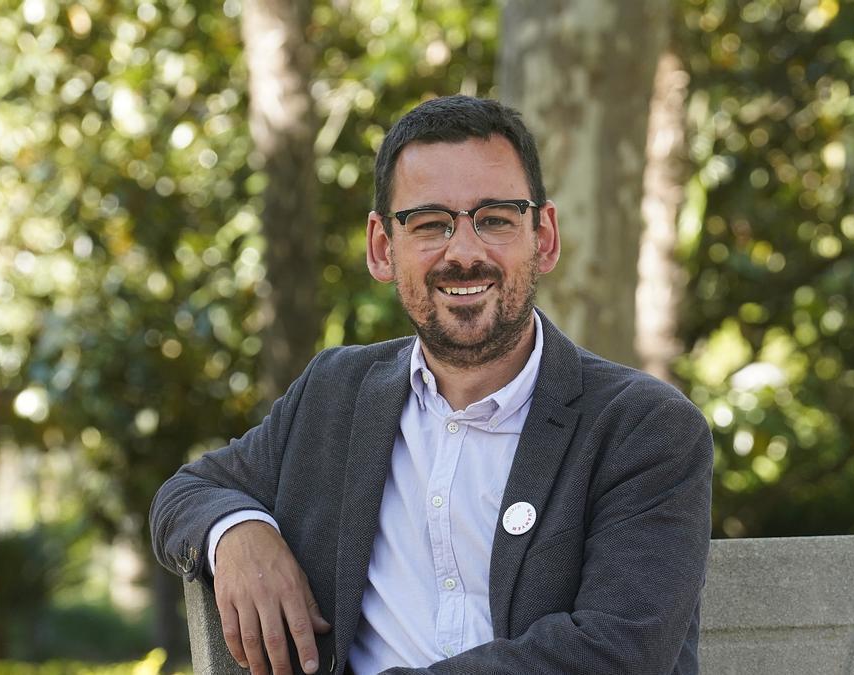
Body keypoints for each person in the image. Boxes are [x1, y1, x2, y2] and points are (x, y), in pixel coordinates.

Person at [150, 95, 712, 675]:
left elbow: (614, 654)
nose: (464, 253)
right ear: (380, 247)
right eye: (429, 224)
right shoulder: (333, 394)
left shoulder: (644, 428)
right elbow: (187, 492)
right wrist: (237, 530)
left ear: (543, 236)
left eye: (494, 218)